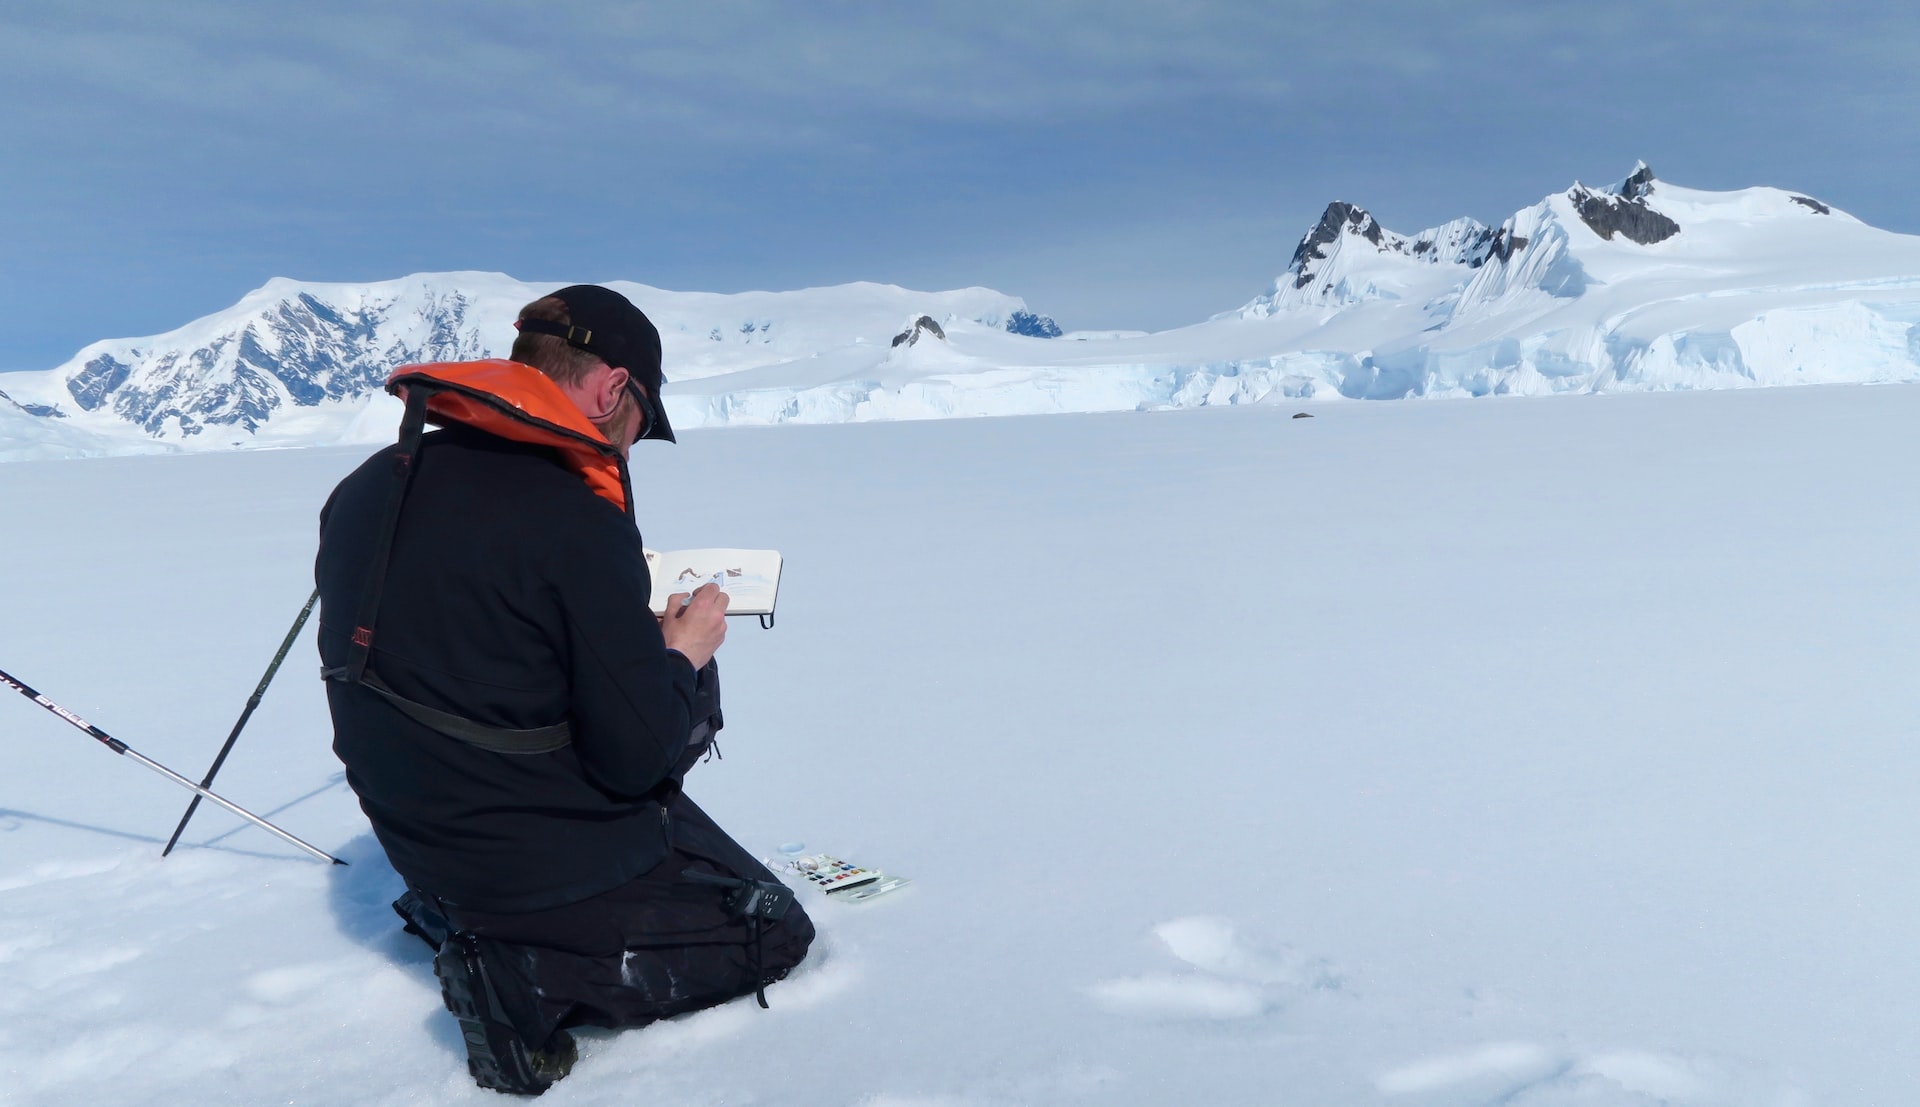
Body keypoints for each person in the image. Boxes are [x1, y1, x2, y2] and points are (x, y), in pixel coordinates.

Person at [313, 285, 813, 1095]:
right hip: (525, 854)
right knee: (772, 928)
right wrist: (681, 654)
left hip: (417, 829)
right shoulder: (573, 517)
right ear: (612, 388)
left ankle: (458, 915)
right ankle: (520, 976)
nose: (630, 446)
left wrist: (616, 638)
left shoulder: (372, 483)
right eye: (638, 425)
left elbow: (475, 643)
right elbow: (636, 760)